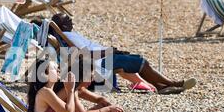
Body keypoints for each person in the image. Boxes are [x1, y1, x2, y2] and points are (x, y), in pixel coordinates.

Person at [51, 13, 198, 95]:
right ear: (62, 25)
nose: (71, 20)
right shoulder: (68, 35)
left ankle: (161, 85)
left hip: (102, 57)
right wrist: (110, 51)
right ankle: (171, 83)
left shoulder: (68, 35)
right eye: (67, 19)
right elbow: (87, 53)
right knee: (140, 61)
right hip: (101, 61)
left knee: (135, 60)